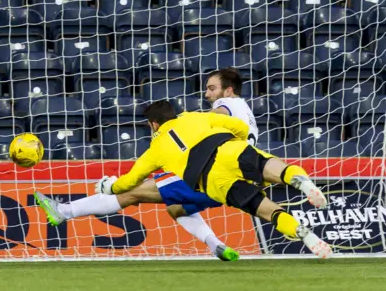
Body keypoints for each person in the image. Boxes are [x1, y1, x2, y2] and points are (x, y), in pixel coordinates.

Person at [35, 69, 259, 261]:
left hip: (208, 173)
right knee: (175, 208)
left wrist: (113, 185)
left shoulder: (226, 104)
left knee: (131, 192)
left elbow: (215, 119)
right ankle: (215, 245)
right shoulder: (246, 113)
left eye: (212, 88)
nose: (207, 94)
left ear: (228, 90)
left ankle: (64, 211)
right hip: (231, 181)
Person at [102, 100, 331, 258]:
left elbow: (131, 181)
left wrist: (111, 187)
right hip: (228, 149)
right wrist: (238, 142)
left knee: (265, 210)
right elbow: (240, 126)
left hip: (211, 180)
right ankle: (302, 182)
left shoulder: (154, 149)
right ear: (172, 114)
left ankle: (305, 235)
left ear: (153, 124)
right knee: (273, 168)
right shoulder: (195, 117)